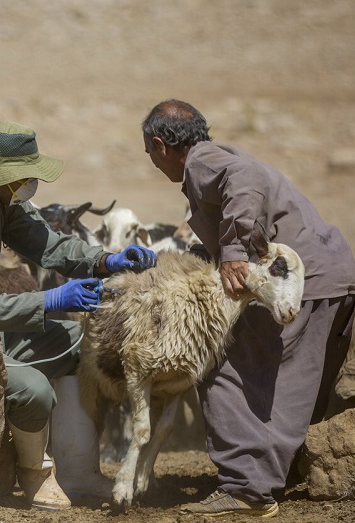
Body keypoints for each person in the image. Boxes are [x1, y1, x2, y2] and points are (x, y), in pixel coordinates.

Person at [0, 120, 156, 510]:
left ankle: (77, 472)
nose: (29, 184)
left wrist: (106, 260)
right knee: (32, 388)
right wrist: (52, 299)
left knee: (78, 342)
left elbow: (50, 245)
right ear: (0, 178)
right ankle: (34, 475)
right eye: (24, 176)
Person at [141, 99, 355, 518]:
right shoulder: (219, 158)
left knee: (219, 363)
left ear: (160, 144)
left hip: (291, 282)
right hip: (330, 276)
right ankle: (277, 473)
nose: (152, 162)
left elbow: (245, 180)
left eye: (150, 154)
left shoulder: (204, 161)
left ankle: (246, 488)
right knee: (290, 382)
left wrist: (235, 250)